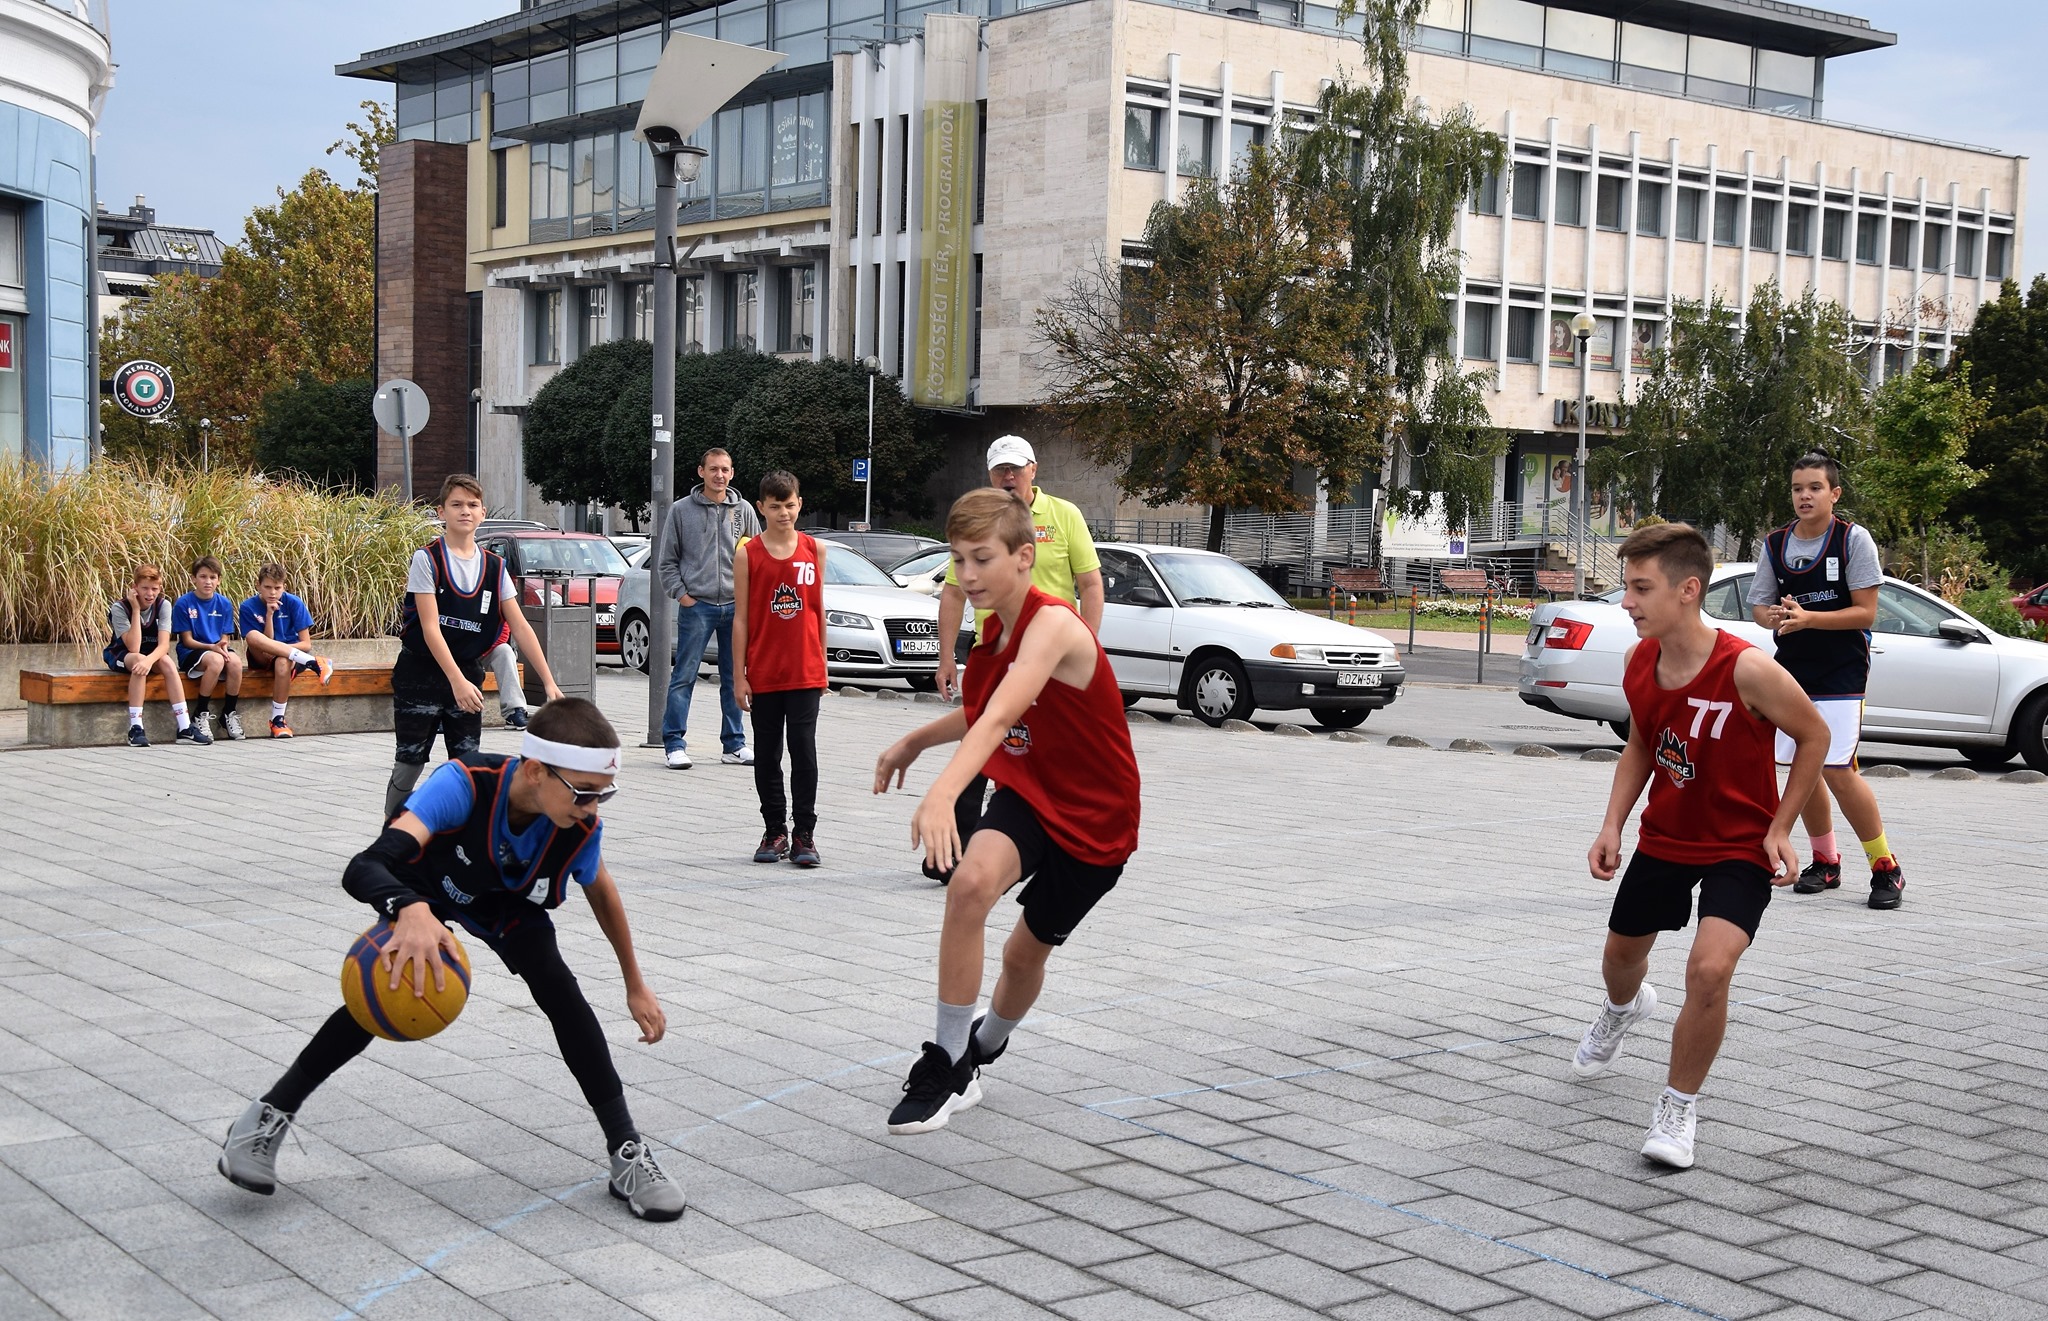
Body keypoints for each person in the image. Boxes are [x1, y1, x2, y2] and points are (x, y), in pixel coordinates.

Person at [217, 697, 684, 1222]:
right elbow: (365, 866)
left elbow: (601, 889)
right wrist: (409, 908)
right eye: (584, 792)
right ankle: (267, 1115)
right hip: (425, 884)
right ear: (536, 771)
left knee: (562, 994)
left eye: (604, 794)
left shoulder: (577, 826)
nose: (593, 807)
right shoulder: (464, 784)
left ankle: (627, 1151)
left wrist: (635, 983)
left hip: (503, 900)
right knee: (387, 987)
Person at [873, 488, 1140, 1134]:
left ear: (1024, 557)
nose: (967, 575)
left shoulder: (1054, 625)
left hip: (1097, 820)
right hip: (1029, 794)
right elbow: (981, 710)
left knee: (1023, 958)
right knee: (968, 885)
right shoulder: (995, 632)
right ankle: (948, 1062)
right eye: (958, 560)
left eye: (982, 558)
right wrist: (916, 740)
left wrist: (944, 791)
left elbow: (1000, 716)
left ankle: (986, 1043)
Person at [1572, 522, 1828, 1170]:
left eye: (1640, 588)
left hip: (1740, 845)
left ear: (1688, 590)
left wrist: (1782, 827)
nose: (1626, 601)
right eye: (1627, 587)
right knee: (1620, 958)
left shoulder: (1747, 668)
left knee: (1710, 970)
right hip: (1666, 836)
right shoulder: (1639, 662)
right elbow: (1642, 743)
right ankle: (1623, 1009)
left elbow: (1815, 736)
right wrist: (1612, 824)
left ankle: (1678, 1107)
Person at [931, 435, 1103, 882]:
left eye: (1015, 468)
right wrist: (946, 656)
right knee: (979, 743)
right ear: (989, 474)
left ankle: (1038, 842)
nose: (1008, 476)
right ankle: (956, 850)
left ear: (1033, 470)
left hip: (1053, 657)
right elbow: (953, 593)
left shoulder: (1064, 515)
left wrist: (1086, 648)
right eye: (1000, 469)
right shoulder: (979, 521)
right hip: (994, 653)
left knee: (1042, 750)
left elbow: (1090, 584)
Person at [1748, 453, 1905, 910]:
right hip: (1793, 669)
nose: (1805, 496)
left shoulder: (1853, 540)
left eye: (1815, 487)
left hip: (1842, 670)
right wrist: (1772, 617)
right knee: (1805, 765)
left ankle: (1885, 866)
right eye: (1798, 488)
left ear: (1834, 493)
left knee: (1836, 767)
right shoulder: (1775, 543)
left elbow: (1866, 613)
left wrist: (1809, 618)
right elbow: (1759, 608)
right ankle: (1826, 861)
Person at [386, 474, 564, 820]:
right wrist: (455, 681)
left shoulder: (495, 567)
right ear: (442, 512)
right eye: (456, 504)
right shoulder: (427, 559)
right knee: (410, 762)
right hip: (420, 673)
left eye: (472, 505)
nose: (464, 511)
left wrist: (549, 682)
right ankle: (391, 829)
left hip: (467, 671)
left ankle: (459, 836)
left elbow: (521, 627)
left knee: (466, 765)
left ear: (482, 513)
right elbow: (430, 628)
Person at [733, 470, 829, 868]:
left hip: (805, 670)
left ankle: (804, 833)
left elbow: (818, 610)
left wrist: (822, 662)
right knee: (767, 754)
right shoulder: (748, 554)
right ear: (761, 508)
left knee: (803, 750)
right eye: (775, 506)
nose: (784, 513)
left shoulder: (814, 549)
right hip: (764, 672)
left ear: (799, 504)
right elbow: (741, 618)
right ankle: (775, 830)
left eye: (789, 505)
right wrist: (739, 676)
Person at [656, 448, 761, 771]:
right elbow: (667, 561)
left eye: (725, 469)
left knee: (735, 676)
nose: (720, 475)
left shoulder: (743, 510)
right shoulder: (681, 510)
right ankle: (674, 745)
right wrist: (683, 596)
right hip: (697, 606)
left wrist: (750, 599)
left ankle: (734, 744)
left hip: (736, 607)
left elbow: (758, 556)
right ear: (701, 471)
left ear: (732, 473)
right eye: (713, 469)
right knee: (684, 676)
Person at [106, 564, 199, 748]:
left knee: (167, 662)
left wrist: (149, 661)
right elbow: (133, 647)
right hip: (123, 654)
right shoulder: (119, 607)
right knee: (138, 658)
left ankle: (184, 727)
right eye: (145, 588)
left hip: (151, 655)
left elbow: (164, 645)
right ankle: (136, 728)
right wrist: (135, 610)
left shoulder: (164, 605)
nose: (150, 594)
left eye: (154, 589)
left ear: (160, 588)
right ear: (135, 588)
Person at [239, 564, 335, 739]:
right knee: (252, 636)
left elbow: (306, 644)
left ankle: (278, 721)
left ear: (284, 586)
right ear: (258, 585)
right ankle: (313, 663)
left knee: (282, 661)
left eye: (277, 588)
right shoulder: (248, 606)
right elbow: (264, 643)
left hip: (290, 657)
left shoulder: (294, 603)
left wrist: (282, 651)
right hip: (262, 656)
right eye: (267, 587)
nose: (272, 592)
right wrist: (269, 616)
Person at [174, 556, 246, 742]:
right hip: (192, 651)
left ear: (219, 580)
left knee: (235, 663)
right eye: (203, 576)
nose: (208, 582)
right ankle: (200, 713)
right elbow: (187, 640)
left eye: (213, 577)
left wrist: (222, 645)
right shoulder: (184, 603)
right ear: (194, 578)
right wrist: (212, 648)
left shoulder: (224, 603)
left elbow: (225, 637)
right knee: (216, 661)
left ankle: (229, 713)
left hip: (216, 648)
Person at [484, 620, 531, 729]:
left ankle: (513, 711)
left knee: (504, 651)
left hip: (484, 650)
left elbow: (503, 634)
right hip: (456, 651)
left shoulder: (498, 607)